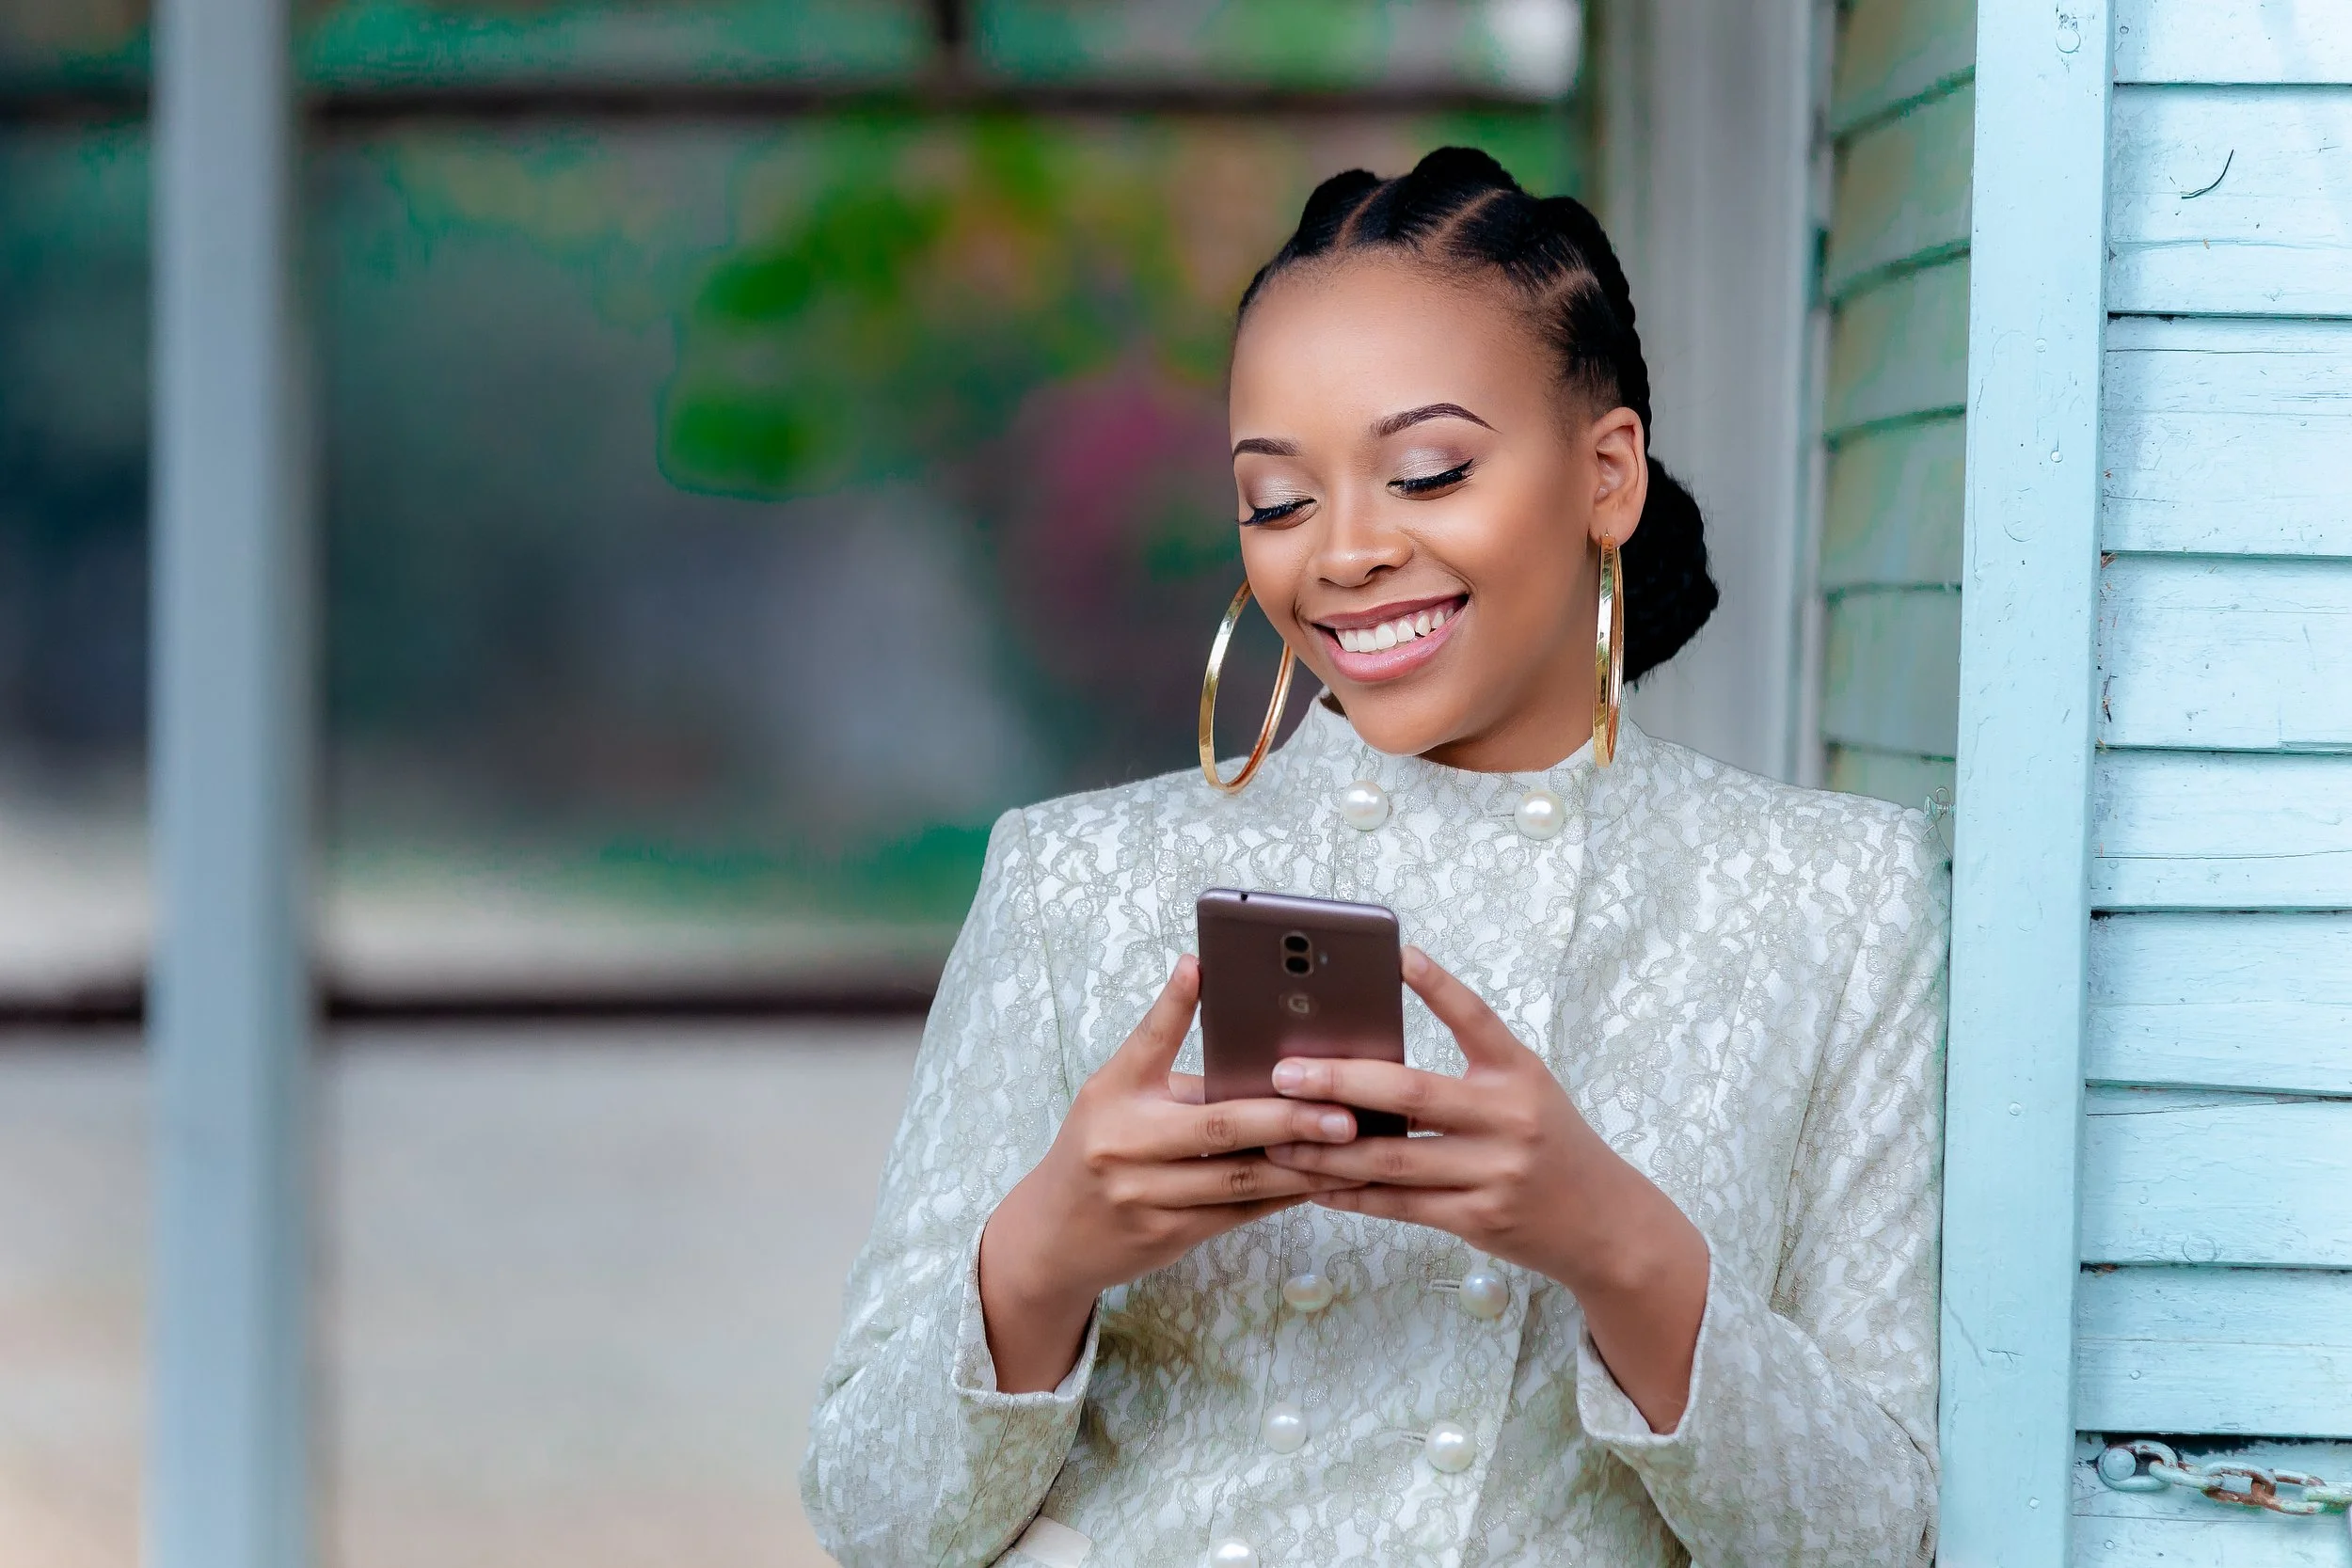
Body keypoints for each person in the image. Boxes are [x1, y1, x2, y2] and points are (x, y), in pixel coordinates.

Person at [801, 147, 1946, 1568]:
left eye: (1426, 471)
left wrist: (1612, 1239)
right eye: (1278, 499)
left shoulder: (1836, 898)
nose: (1342, 553)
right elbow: (871, 1520)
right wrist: (1048, 1248)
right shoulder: (1072, 883)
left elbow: (1879, 1538)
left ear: (1608, 474)